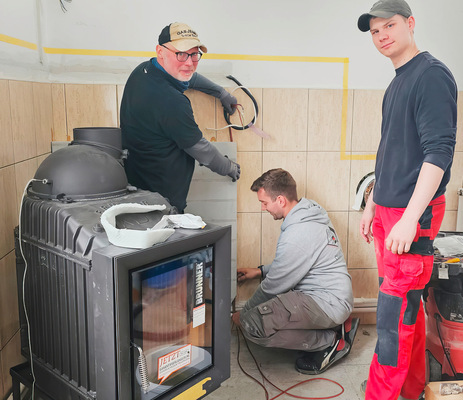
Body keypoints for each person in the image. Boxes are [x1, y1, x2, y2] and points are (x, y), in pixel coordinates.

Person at [357, 1, 457, 399]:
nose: (382, 35)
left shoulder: (431, 76)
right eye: (375, 30)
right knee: (405, 307)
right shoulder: (398, 80)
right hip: (388, 210)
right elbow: (390, 150)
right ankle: (413, 389)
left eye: (390, 25)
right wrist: (371, 203)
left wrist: (409, 218)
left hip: (410, 214)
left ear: (410, 24)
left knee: (391, 322)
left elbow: (439, 152)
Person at [232, 168, 359, 374]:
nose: (264, 208)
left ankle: (330, 340)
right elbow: (297, 262)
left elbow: (274, 286)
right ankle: (336, 327)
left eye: (264, 203)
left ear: (281, 200)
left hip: (327, 303)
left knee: (252, 325)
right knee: (267, 313)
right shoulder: (309, 213)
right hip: (330, 298)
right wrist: (260, 271)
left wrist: (244, 314)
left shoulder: (299, 232)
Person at [120, 22, 241, 213]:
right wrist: (229, 167)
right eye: (181, 54)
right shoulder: (171, 101)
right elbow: (202, 151)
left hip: (137, 181)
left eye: (194, 55)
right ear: (161, 51)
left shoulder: (144, 71)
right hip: (162, 199)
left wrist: (220, 92)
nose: (189, 62)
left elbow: (187, 76)